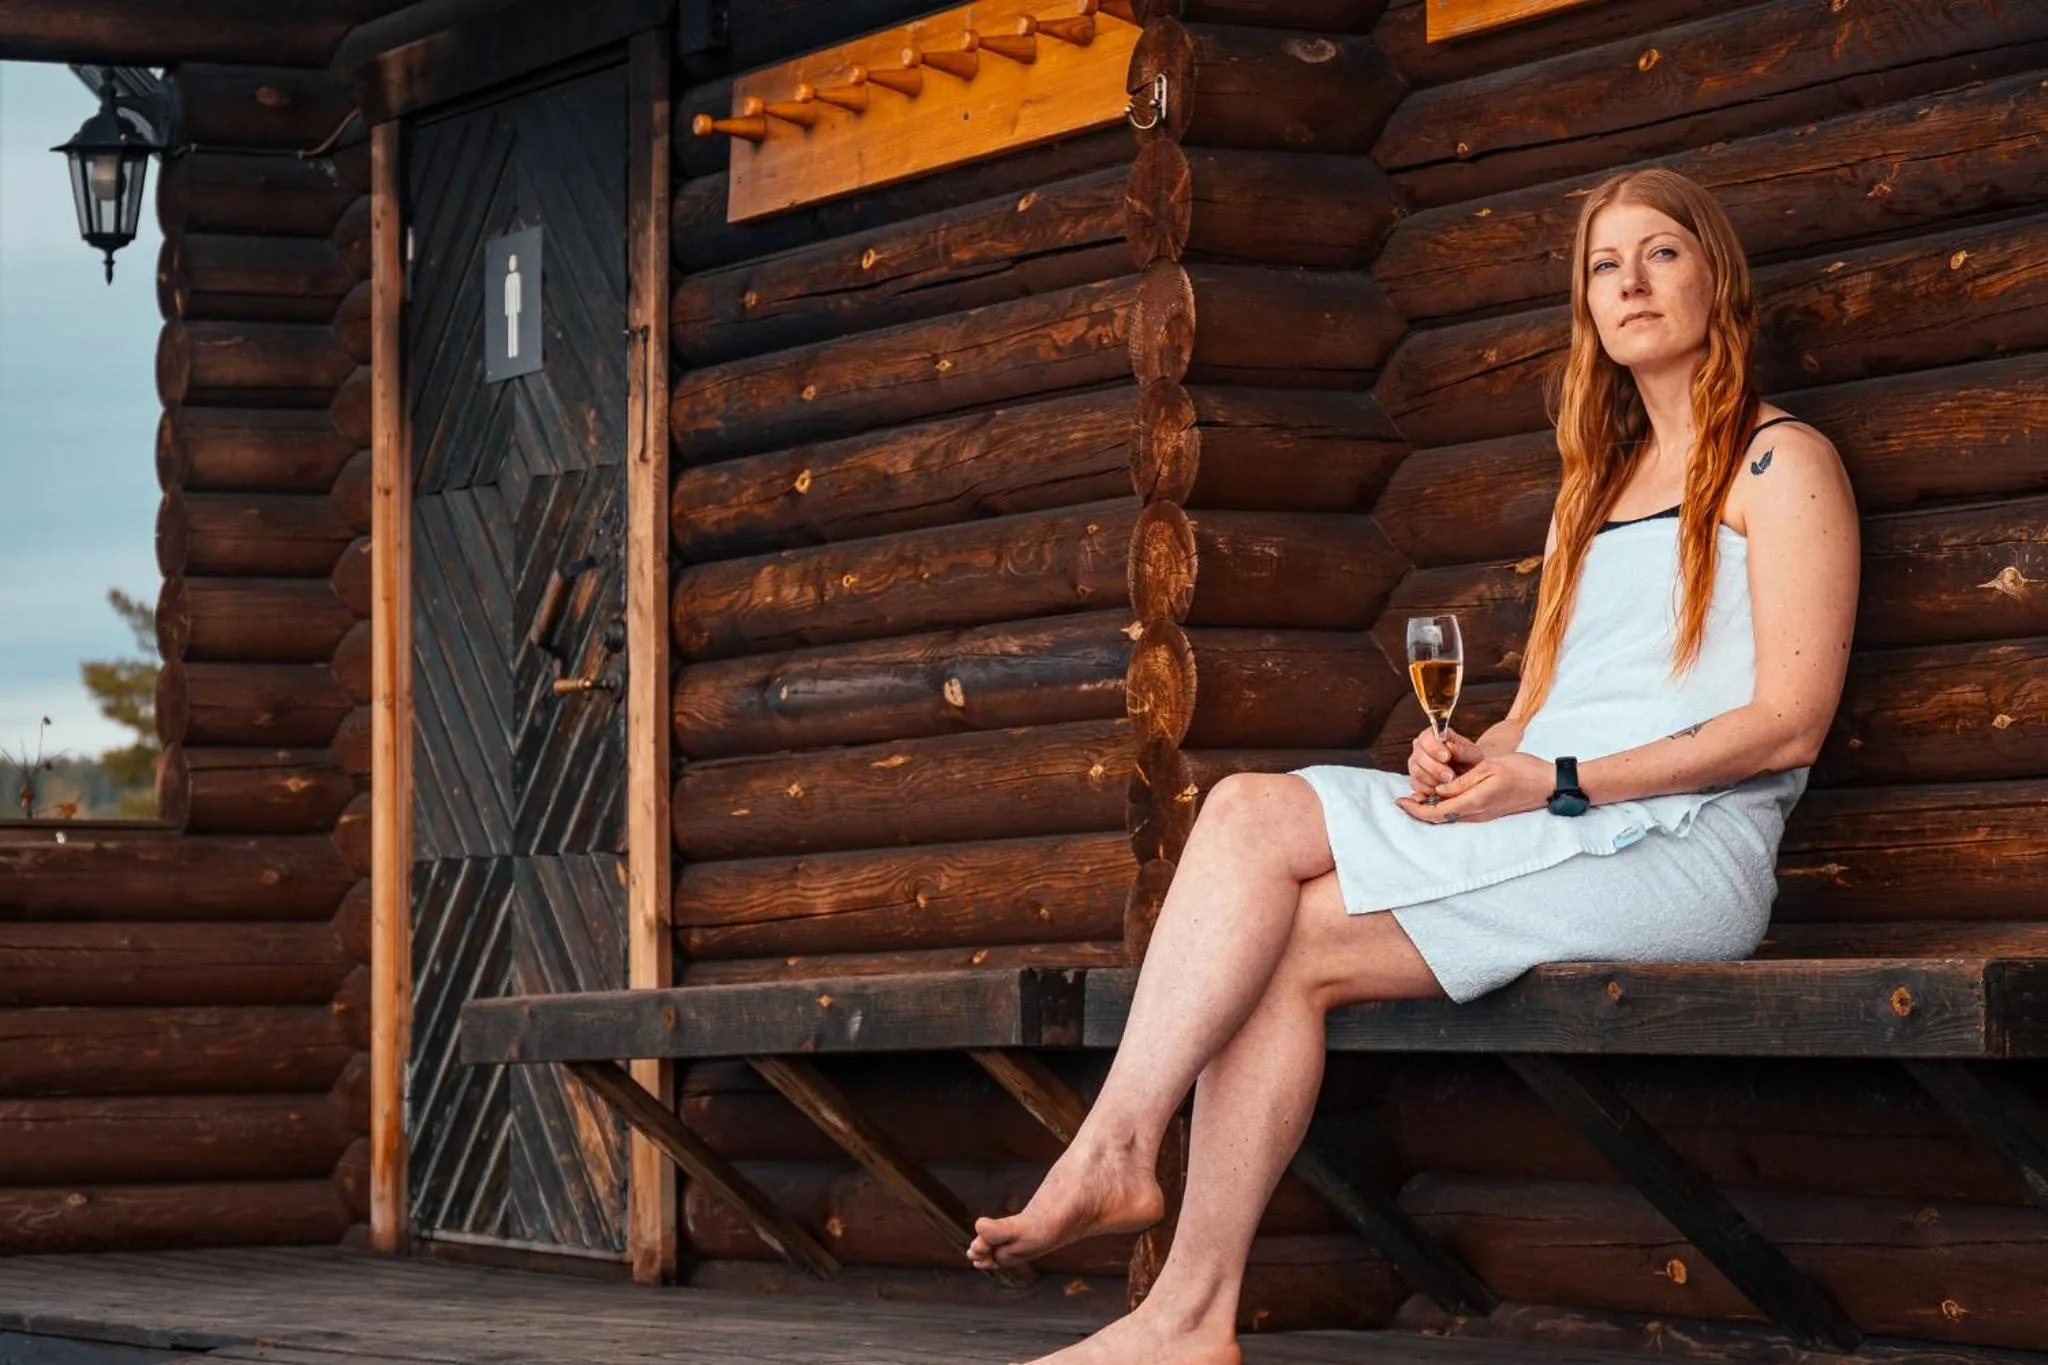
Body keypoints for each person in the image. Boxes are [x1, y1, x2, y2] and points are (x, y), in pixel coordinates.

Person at [963, 166, 1861, 1364]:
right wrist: (1477, 756)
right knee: (1269, 924)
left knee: (1248, 819)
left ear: (1713, 277)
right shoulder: (1587, 495)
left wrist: (1551, 782)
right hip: (1563, 820)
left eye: (1659, 254)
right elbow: (1544, 713)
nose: (1630, 283)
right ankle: (1185, 1316)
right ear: (1584, 306)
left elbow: (1786, 724)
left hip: (1687, 854)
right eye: (1604, 264)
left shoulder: (1778, 464)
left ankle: (1117, 1155)